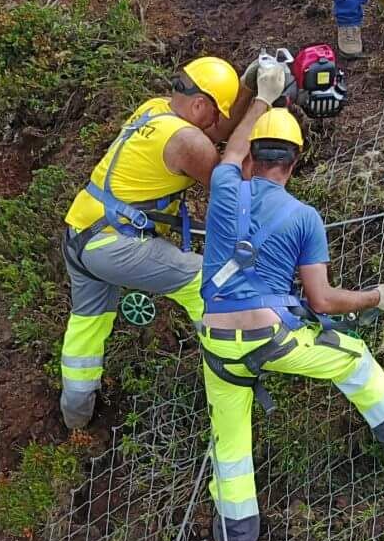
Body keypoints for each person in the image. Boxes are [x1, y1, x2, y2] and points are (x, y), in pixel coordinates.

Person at [195, 74, 384, 541]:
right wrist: (381, 295)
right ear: (293, 163)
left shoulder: (225, 187)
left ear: (252, 156)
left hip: (216, 343)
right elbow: (323, 299)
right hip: (272, 338)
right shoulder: (304, 217)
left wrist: (264, 98)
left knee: (230, 442)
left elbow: (229, 153)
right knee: (354, 360)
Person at [56, 56, 244, 432]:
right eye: (214, 114)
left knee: (87, 327)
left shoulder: (154, 110)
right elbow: (230, 184)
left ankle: (75, 421)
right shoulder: (188, 141)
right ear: (199, 105)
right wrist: (258, 110)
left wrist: (252, 91)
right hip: (115, 244)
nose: (214, 125)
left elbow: (219, 132)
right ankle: (233, 378)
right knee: (204, 283)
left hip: (81, 232)